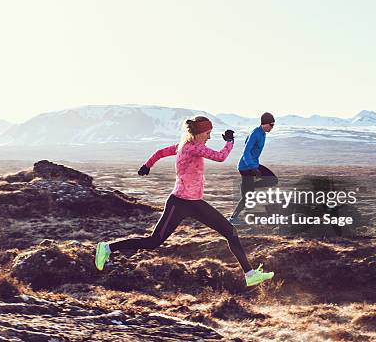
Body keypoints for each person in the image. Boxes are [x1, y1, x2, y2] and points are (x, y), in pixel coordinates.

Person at [95, 116, 274, 287]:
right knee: (153, 241)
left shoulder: (184, 145)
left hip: (196, 203)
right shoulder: (193, 147)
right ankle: (108, 248)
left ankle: (250, 275)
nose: (209, 137)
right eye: (207, 134)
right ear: (198, 133)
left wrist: (147, 165)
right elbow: (220, 157)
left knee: (230, 232)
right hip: (179, 203)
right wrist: (230, 142)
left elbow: (160, 153)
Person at [228, 112, 279, 224]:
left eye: (273, 125)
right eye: (271, 125)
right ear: (265, 123)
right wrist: (253, 167)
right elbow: (246, 152)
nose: (272, 127)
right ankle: (233, 218)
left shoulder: (263, 133)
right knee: (247, 197)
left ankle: (249, 186)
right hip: (246, 167)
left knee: (273, 179)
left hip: (253, 164)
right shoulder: (255, 133)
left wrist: (255, 166)